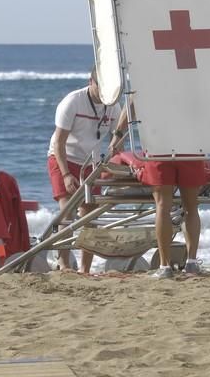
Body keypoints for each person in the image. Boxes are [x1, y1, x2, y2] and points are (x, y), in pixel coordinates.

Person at [110, 103, 205, 279]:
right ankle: (191, 263)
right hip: (190, 143)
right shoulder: (193, 74)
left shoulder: (149, 75)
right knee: (191, 207)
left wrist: (118, 134)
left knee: (163, 206)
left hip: (159, 143)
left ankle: (165, 266)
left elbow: (132, 101)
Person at [47, 65, 122, 273]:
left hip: (91, 162)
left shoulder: (113, 106)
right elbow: (59, 142)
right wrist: (66, 174)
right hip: (63, 156)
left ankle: (85, 269)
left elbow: (118, 143)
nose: (105, 92)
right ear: (91, 82)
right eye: (101, 86)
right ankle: (63, 263)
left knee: (90, 216)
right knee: (67, 210)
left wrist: (116, 168)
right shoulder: (73, 101)